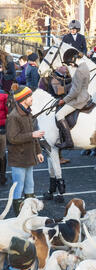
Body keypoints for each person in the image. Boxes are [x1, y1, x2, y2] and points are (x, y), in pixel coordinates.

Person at [6, 84, 45, 216]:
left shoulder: (28, 113)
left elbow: (34, 135)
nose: (32, 98)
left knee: (30, 186)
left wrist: (39, 151)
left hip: (29, 157)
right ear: (23, 99)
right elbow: (12, 138)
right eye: (30, 96)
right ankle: (18, 217)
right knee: (18, 189)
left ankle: (29, 215)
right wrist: (32, 135)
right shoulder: (13, 116)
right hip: (18, 159)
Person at [54, 48, 91, 149]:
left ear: (74, 59)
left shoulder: (79, 71)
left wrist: (64, 100)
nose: (70, 65)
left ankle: (68, 141)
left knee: (59, 114)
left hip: (79, 99)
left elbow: (75, 92)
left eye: (70, 63)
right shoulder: (85, 66)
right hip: (85, 95)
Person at [0, 90, 7, 185]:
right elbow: (8, 113)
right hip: (2, 129)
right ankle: (2, 176)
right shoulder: (4, 96)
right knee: (2, 154)